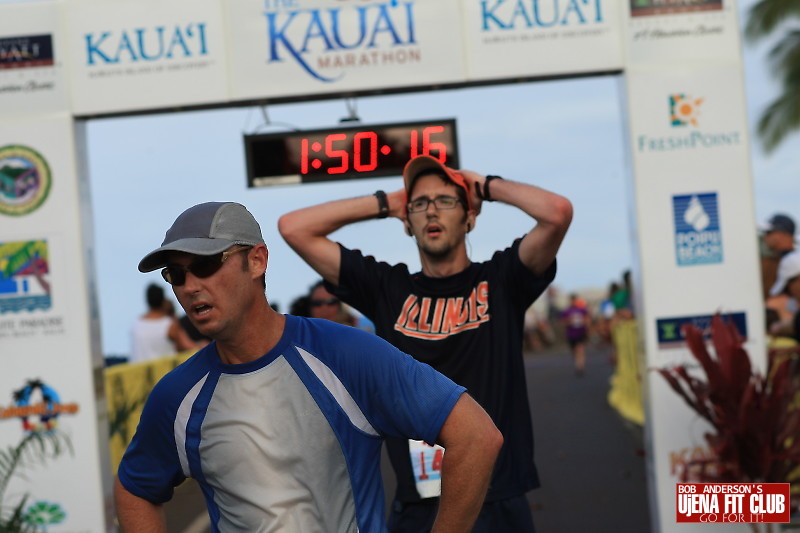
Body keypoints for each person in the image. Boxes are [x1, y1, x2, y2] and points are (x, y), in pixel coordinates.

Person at [114, 201, 503, 533]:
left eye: (205, 265)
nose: (190, 286)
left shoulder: (344, 354)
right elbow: (134, 489)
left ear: (257, 260)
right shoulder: (176, 396)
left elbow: (476, 437)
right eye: (176, 275)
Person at [279, 155, 573, 531]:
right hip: (420, 507)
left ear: (469, 217)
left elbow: (557, 212)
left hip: (496, 499)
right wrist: (388, 202)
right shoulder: (387, 288)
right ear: (407, 221)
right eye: (420, 203)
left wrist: (482, 186)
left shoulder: (502, 280)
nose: (432, 211)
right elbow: (294, 228)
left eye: (447, 201)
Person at [129, 283, 179, 363]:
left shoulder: (136, 324)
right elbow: (189, 348)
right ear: (163, 300)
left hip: (139, 373)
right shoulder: (169, 325)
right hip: (164, 372)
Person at [760, 213, 796, 300]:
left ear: (784, 234)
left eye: (769, 232)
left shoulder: (796, 262)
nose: (765, 236)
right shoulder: (767, 261)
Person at [560, 293, 590, 375]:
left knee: (580, 349)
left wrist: (587, 327)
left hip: (580, 332)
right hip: (571, 334)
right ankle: (577, 363)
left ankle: (580, 366)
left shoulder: (582, 310)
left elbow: (587, 319)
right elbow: (562, 322)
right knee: (574, 351)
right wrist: (569, 320)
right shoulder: (566, 311)